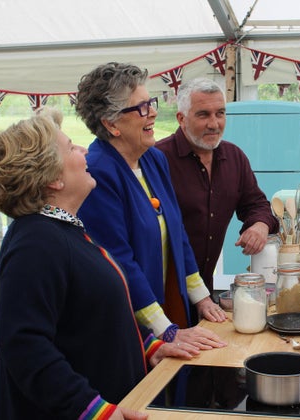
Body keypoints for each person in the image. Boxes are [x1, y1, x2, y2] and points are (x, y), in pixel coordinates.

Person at [0, 108, 192, 420]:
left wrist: (148, 346)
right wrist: (92, 411)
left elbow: (93, 315)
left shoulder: (62, 230)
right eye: (72, 146)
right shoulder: (35, 244)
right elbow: (25, 347)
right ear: (52, 179)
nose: (84, 150)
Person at [75, 63, 227, 351]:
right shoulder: (97, 174)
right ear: (111, 124)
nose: (154, 112)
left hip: (170, 308)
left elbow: (177, 232)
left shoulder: (153, 160)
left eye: (151, 103)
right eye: (142, 107)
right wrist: (165, 331)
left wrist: (202, 299)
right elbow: (119, 263)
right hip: (131, 329)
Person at [155, 78, 278, 293]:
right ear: (181, 119)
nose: (214, 124)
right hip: (164, 293)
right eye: (203, 115)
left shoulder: (234, 157)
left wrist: (260, 225)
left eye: (220, 113)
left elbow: (256, 204)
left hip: (206, 288)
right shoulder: (157, 160)